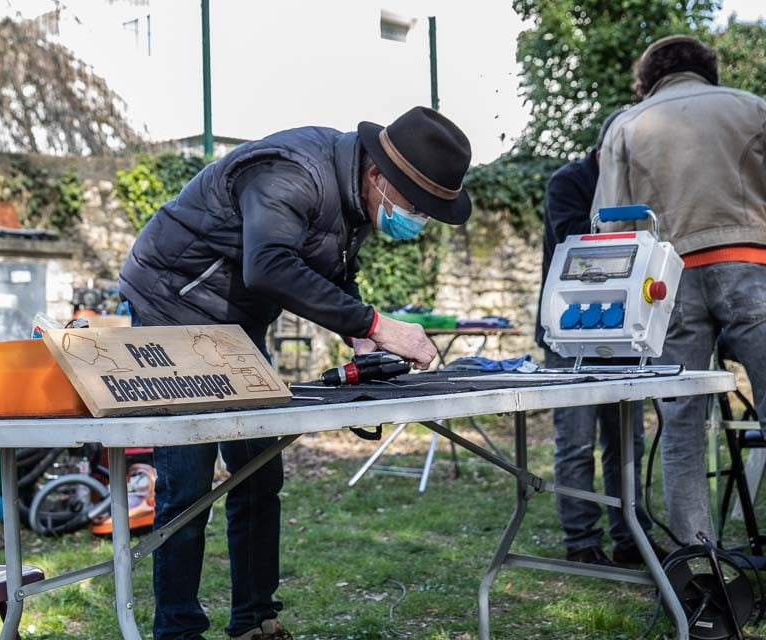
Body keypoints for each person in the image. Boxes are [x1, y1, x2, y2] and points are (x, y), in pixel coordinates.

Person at [119, 107, 473, 640]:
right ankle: (178, 629)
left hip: (235, 319)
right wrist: (376, 325)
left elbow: (332, 273)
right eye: (416, 207)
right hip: (174, 302)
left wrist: (354, 330)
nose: (417, 220)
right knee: (188, 482)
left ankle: (254, 621)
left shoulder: (355, 196)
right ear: (380, 176)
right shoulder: (292, 172)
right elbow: (270, 266)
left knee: (258, 469)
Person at [592, 35, 766, 544]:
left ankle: (698, 569)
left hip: (669, 282)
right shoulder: (752, 108)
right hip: (752, 267)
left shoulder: (628, 123)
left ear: (649, 76)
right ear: (706, 69)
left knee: (682, 427)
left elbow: (608, 227)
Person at [538, 109, 666, 566]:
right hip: (573, 332)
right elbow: (576, 241)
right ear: (606, 148)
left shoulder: (637, 184)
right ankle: (581, 541)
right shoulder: (567, 182)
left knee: (627, 439)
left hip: (627, 331)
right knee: (575, 440)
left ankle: (632, 537)